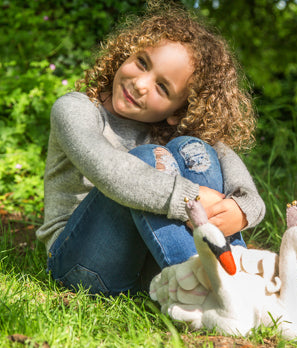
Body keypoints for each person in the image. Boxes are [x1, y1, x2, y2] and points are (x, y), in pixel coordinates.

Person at [36, 2, 265, 297]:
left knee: (194, 147)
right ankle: (217, 291)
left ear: (177, 112)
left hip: (144, 266)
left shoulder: (171, 130)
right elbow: (114, 176)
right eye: (142, 62)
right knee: (144, 159)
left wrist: (243, 209)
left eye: (163, 88)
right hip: (80, 263)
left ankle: (229, 277)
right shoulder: (75, 109)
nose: (141, 84)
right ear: (127, 51)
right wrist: (191, 198)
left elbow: (232, 169)